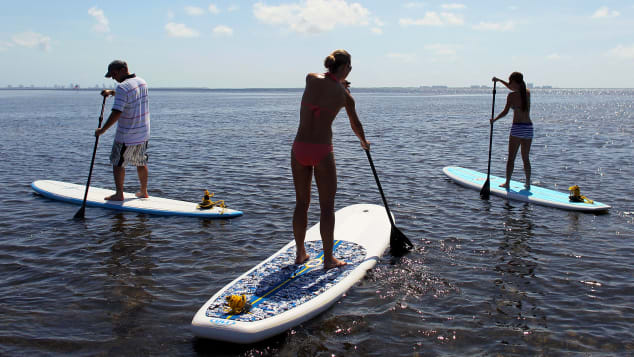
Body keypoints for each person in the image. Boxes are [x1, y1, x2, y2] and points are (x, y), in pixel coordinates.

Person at [291, 49, 370, 270]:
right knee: (326, 208)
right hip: (321, 150)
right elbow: (356, 125)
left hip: (299, 148)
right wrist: (364, 142)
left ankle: (300, 254)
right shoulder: (345, 96)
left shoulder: (310, 78)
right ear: (346, 68)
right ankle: (328, 259)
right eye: (350, 67)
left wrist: (338, 81)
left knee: (301, 203)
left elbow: (322, 80)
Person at [95, 60, 150, 200]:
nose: (113, 78)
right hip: (143, 132)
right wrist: (112, 92)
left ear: (123, 70)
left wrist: (103, 130)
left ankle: (119, 194)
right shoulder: (142, 81)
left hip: (126, 134)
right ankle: (144, 192)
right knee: (140, 162)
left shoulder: (122, 87)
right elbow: (132, 95)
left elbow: (117, 112)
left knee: (117, 163)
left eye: (114, 74)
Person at [491, 72, 532, 190]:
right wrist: (499, 80)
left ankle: (507, 182)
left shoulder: (511, 96)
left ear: (515, 82)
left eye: (510, 81)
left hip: (518, 128)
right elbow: (512, 87)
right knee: (525, 158)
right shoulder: (527, 92)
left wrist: (494, 120)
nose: (509, 84)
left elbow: (505, 112)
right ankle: (528, 183)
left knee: (511, 158)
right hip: (529, 128)